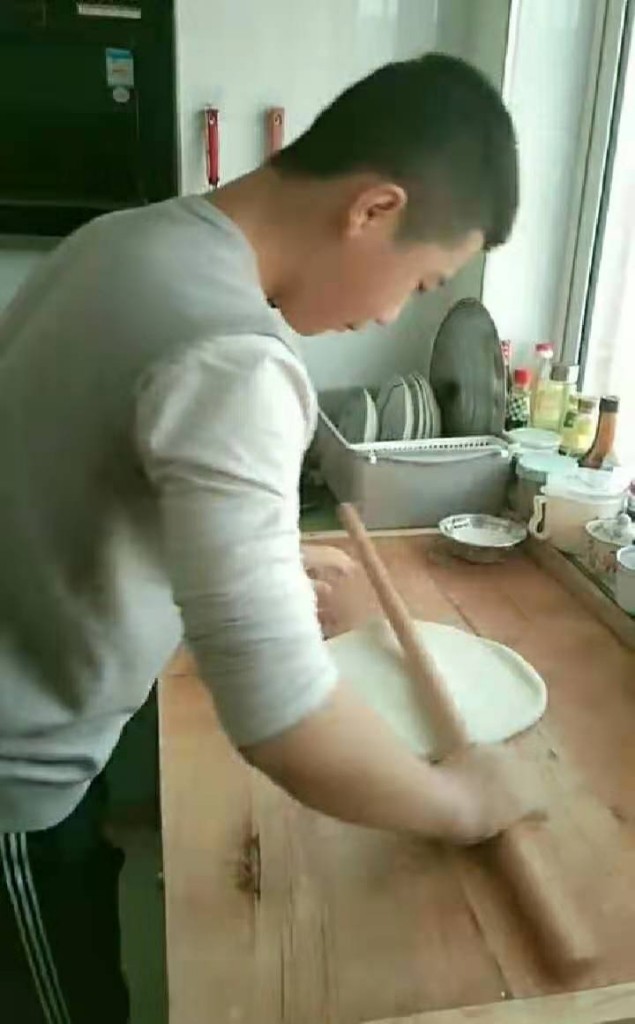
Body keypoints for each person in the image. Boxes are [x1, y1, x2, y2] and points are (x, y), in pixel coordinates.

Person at [0, 53, 539, 1022]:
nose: (389, 313)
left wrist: (233, 557)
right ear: (372, 208)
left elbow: (72, 466)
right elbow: (279, 713)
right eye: (419, 280)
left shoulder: (122, 240)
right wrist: (462, 801)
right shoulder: (234, 360)